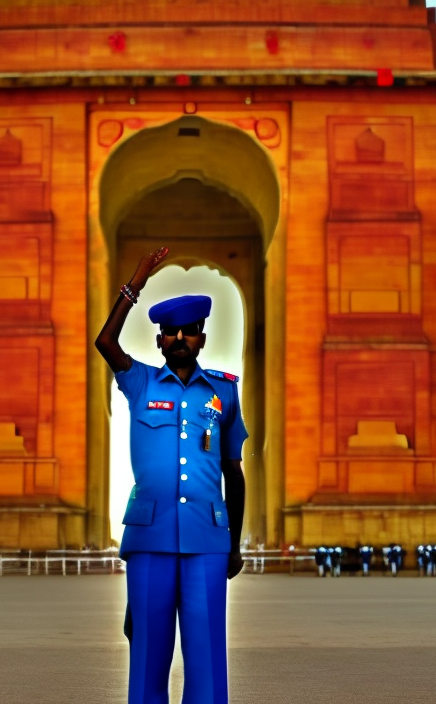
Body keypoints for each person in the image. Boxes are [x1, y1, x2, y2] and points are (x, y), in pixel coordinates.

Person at [95, 247, 248, 704]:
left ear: (202, 338)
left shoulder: (223, 391)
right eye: (170, 333)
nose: (180, 337)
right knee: (147, 661)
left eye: (190, 331)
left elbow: (232, 472)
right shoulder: (138, 381)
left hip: (207, 540)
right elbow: (105, 343)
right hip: (149, 538)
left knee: (206, 666)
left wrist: (235, 545)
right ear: (159, 340)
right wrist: (136, 281)